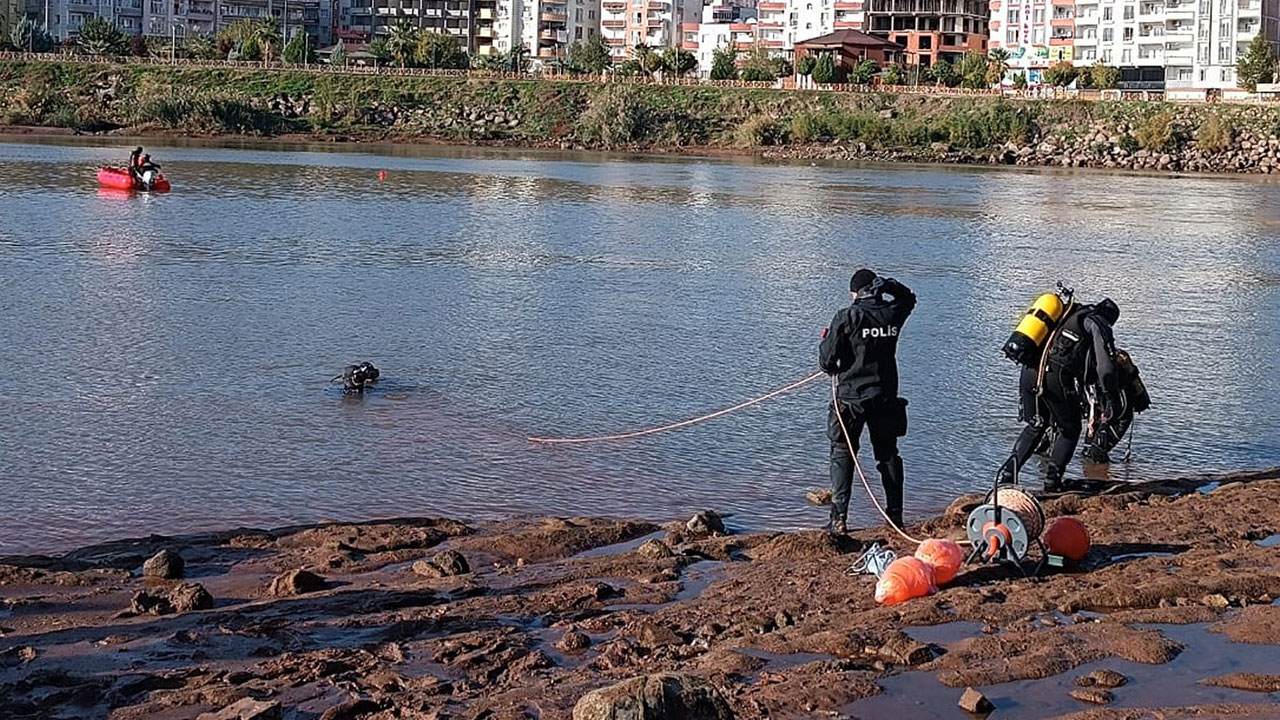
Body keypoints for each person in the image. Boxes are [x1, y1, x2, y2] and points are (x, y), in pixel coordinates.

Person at [819, 269, 916, 533]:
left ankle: (839, 518)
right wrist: (890, 285)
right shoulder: (891, 312)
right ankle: (895, 515)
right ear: (875, 288)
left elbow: (826, 361)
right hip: (884, 397)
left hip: (851, 399)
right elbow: (909, 298)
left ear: (855, 292)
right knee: (888, 456)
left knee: (842, 454)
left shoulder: (847, 316)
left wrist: (834, 360)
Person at [1004, 298, 1123, 490]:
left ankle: (1006, 476)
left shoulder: (1067, 314)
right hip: (1055, 377)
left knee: (1036, 424)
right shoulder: (1098, 322)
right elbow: (1106, 368)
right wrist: (1111, 397)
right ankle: (1053, 481)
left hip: (1028, 372)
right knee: (1069, 429)